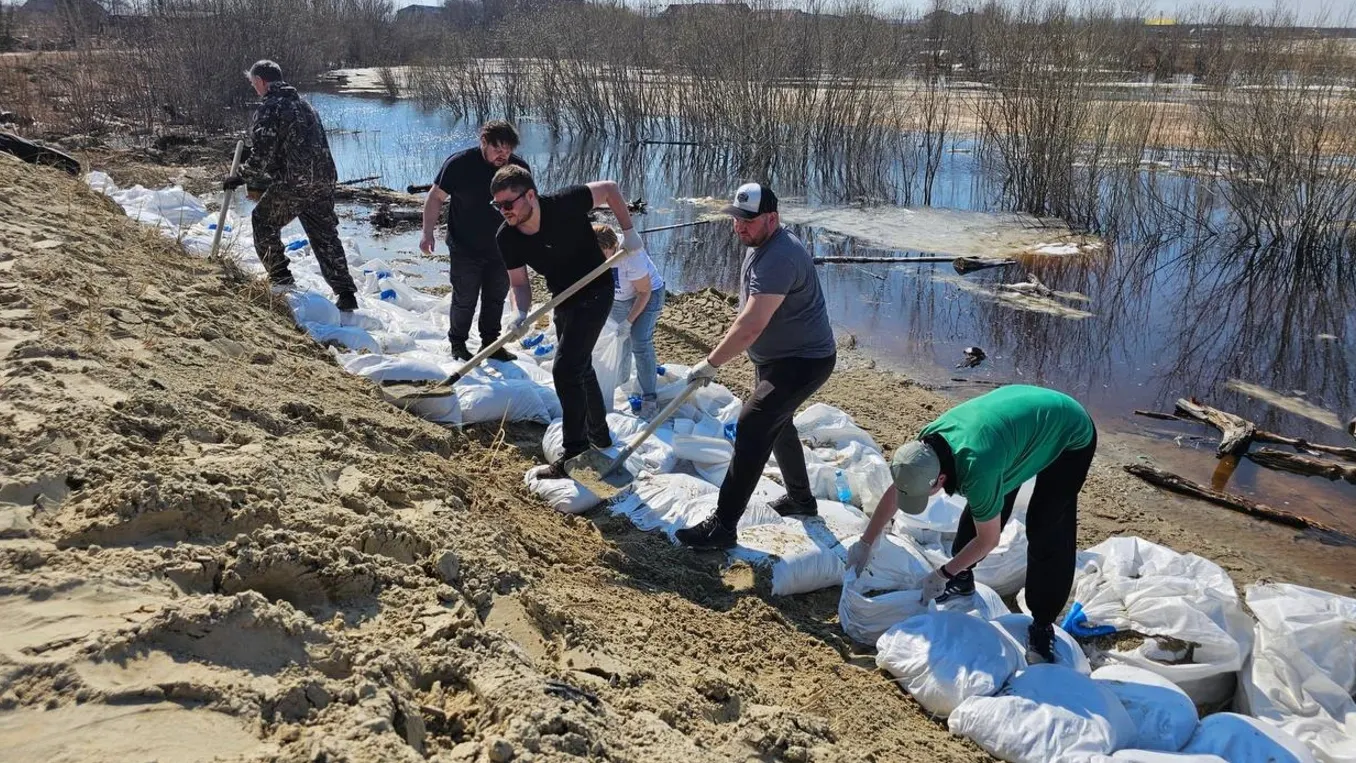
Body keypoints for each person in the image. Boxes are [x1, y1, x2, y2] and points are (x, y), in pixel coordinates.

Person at [845, 384, 1097, 663]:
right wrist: (866, 542)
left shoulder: (978, 469)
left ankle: (1042, 623)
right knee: (982, 509)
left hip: (1069, 431)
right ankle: (963, 579)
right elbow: (898, 489)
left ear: (940, 479)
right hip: (1012, 436)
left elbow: (989, 540)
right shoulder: (920, 454)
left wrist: (942, 573)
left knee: (1045, 525)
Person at [675, 183, 837, 550]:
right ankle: (801, 499)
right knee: (778, 425)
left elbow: (750, 325)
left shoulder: (780, 256)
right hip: (777, 359)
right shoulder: (760, 243)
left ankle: (723, 526)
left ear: (772, 219)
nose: (739, 227)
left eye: (748, 220)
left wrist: (711, 363)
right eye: (736, 219)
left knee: (752, 424)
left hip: (804, 361)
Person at [491, 166, 642, 476]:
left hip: (596, 290)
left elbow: (610, 188)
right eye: (498, 205)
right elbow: (519, 283)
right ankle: (599, 435)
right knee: (580, 366)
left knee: (565, 369)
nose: (504, 211)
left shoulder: (564, 202)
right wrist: (520, 313)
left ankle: (575, 452)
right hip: (563, 297)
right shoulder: (507, 237)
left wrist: (628, 232)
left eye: (508, 203)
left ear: (529, 195)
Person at [226, 60, 357, 311]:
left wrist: (242, 176)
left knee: (263, 221)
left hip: (294, 182)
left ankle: (281, 278)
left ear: (261, 81)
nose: (254, 88)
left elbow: (264, 152)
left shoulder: (270, 106)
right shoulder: (305, 105)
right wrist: (252, 155)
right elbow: (292, 143)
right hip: (323, 180)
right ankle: (346, 293)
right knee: (325, 236)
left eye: (254, 84)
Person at [421, 121, 529, 362]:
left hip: (503, 248)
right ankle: (458, 343)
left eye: (508, 150)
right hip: (464, 245)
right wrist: (427, 233)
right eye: (497, 149)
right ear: (484, 142)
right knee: (465, 297)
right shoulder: (459, 164)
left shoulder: (518, 169)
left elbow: (530, 206)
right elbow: (435, 197)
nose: (503, 155)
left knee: (496, 297)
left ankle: (491, 344)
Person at [594, 224, 666, 419]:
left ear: (613, 247)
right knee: (619, 340)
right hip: (620, 297)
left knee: (639, 341)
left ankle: (649, 399)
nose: (598, 258)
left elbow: (644, 292)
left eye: (603, 254)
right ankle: (621, 384)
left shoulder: (631, 256)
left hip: (648, 294)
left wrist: (628, 322)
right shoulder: (592, 248)